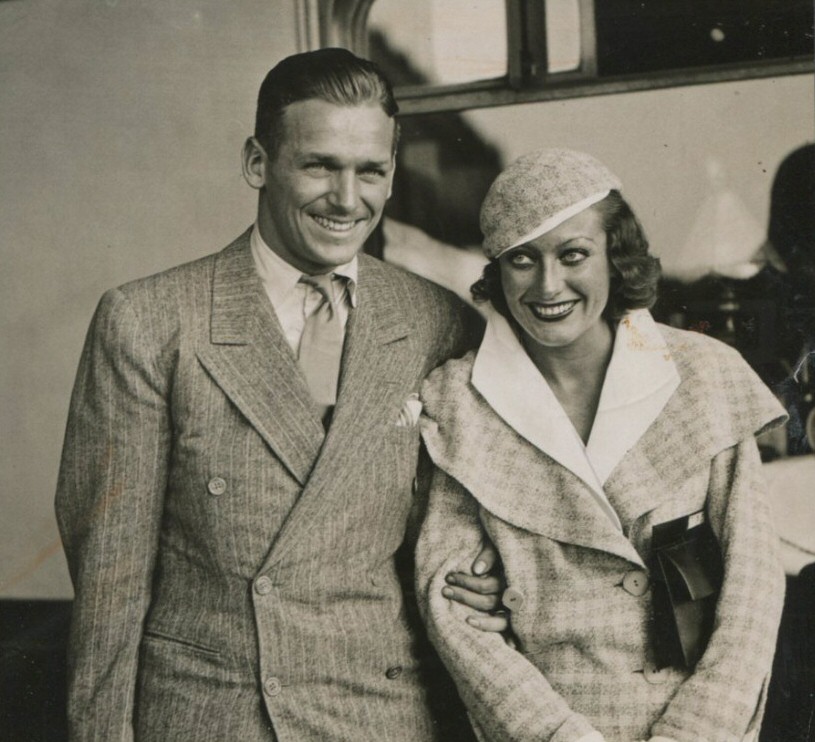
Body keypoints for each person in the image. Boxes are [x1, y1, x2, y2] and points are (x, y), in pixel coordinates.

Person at [55, 48, 500, 742]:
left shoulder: (439, 324)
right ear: (258, 163)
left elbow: (470, 526)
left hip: (383, 715)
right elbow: (110, 583)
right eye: (319, 165)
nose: (347, 200)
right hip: (213, 717)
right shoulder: (149, 322)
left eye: (370, 171)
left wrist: (486, 575)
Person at [415, 148, 787, 741]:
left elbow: (755, 588)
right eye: (521, 260)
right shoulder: (459, 403)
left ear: (616, 259)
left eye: (574, 255)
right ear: (495, 271)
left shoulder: (704, 375)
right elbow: (456, 614)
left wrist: (692, 734)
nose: (548, 285)